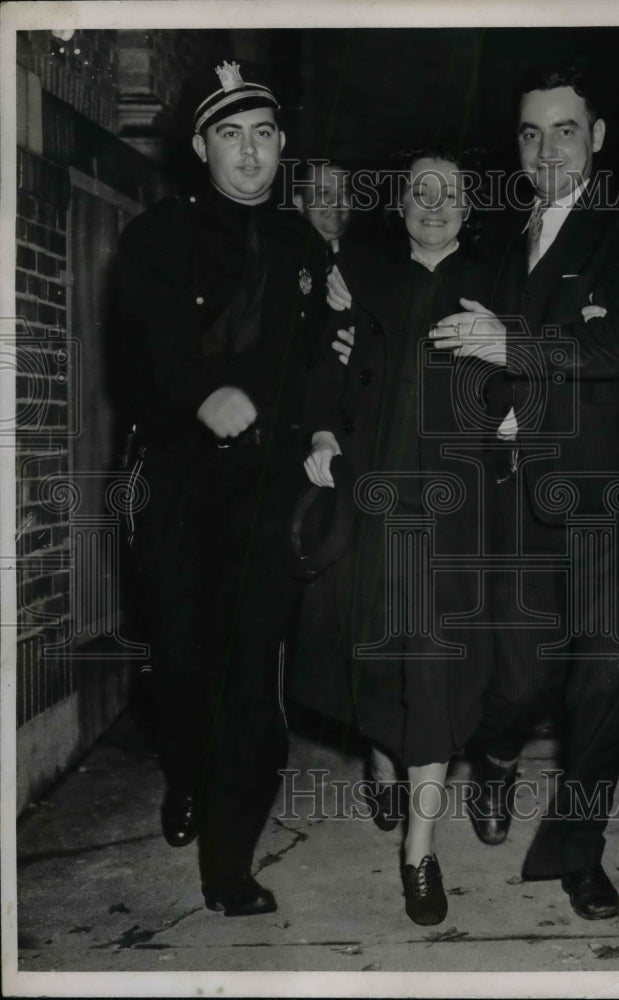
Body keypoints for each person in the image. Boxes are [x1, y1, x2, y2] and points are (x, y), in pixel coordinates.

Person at [430, 64, 619, 919]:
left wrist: (517, 343)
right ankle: (494, 756)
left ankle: (581, 851)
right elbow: (461, 343)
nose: (546, 149)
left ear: (597, 137)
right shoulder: (504, 238)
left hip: (609, 498)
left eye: (565, 129)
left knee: (603, 679)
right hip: (518, 492)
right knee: (524, 680)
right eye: (531, 133)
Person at [117, 62, 327, 916]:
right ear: (201, 145)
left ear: (282, 145)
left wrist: (320, 428)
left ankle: (229, 865)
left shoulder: (306, 248)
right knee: (180, 659)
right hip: (178, 483)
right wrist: (202, 392)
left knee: (250, 675)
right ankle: (185, 772)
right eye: (231, 135)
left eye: (264, 134)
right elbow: (139, 355)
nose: (250, 154)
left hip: (266, 491)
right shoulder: (155, 239)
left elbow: (323, 362)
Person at [303, 149, 499, 925]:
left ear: (469, 207)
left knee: (438, 675)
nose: (431, 203)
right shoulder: (363, 281)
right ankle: (380, 756)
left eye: (448, 191)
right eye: (419, 190)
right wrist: (320, 434)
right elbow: (325, 372)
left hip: (457, 514)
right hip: (373, 505)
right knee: (374, 659)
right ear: (400, 205)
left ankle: (419, 851)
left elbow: (530, 379)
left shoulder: (500, 288)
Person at [293, 159, 352, 257]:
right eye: (324, 193)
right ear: (300, 203)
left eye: (343, 192)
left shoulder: (372, 259)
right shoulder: (284, 260)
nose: (336, 202)